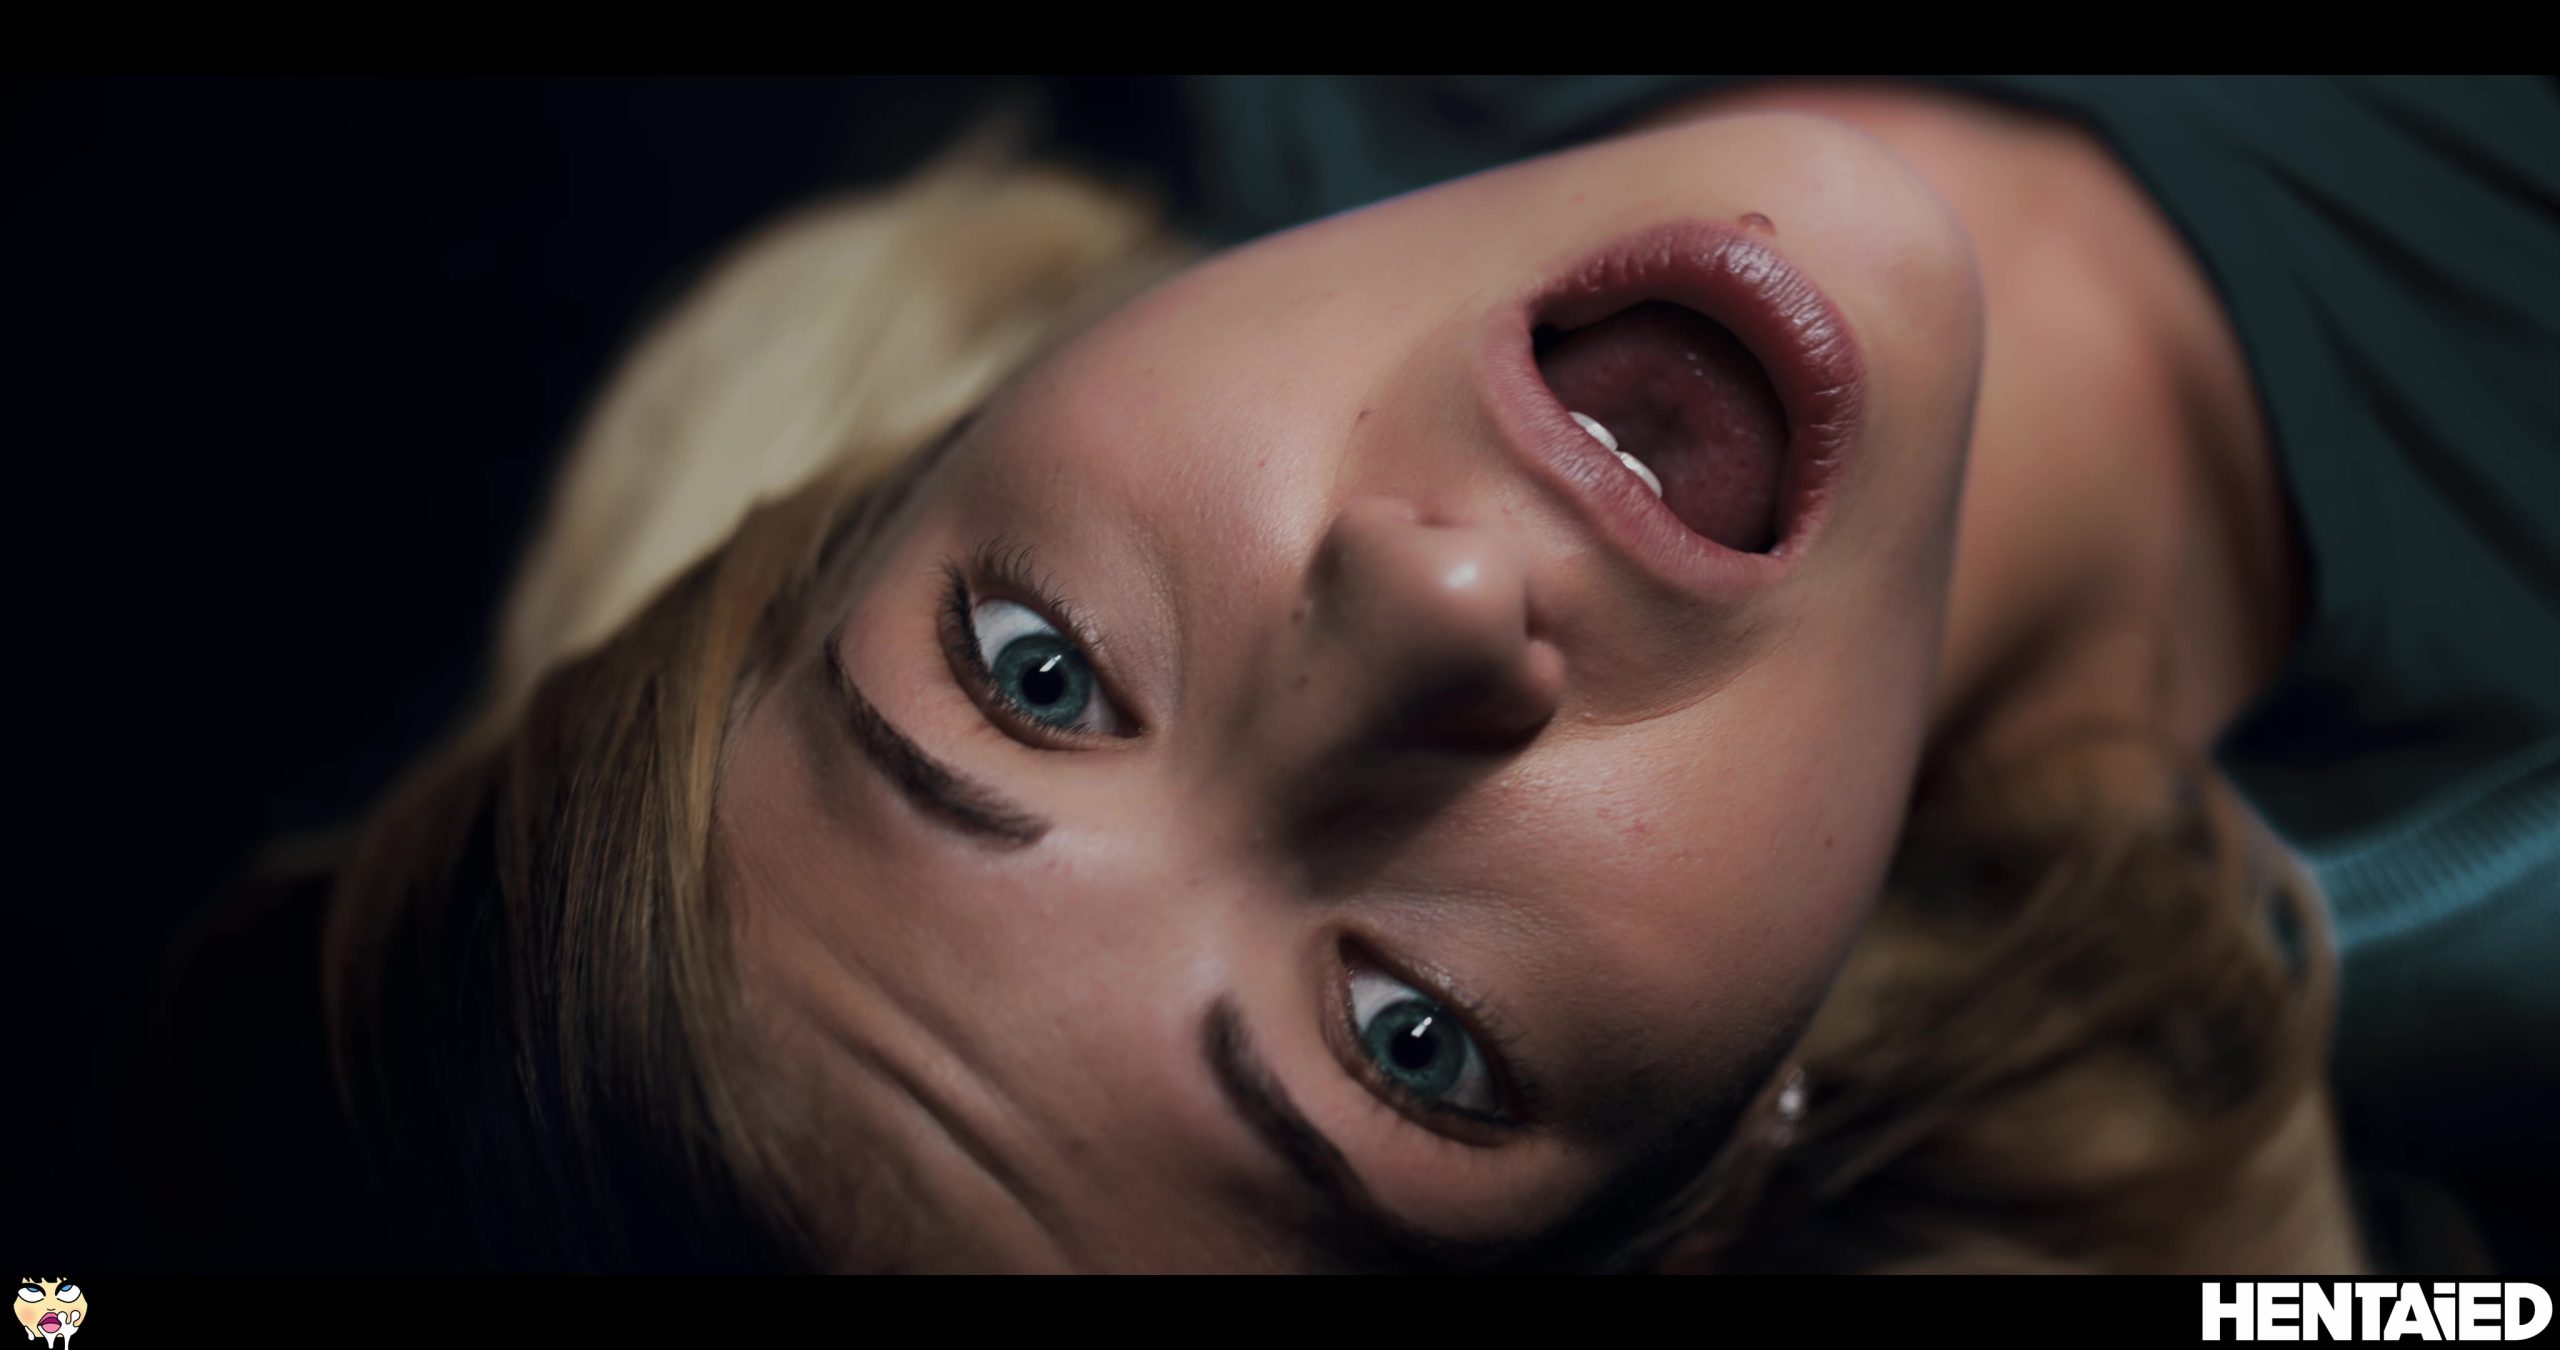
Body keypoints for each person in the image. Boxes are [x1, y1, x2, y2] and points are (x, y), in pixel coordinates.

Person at [147, 77, 2558, 1274]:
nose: (1436, 606)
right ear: (1726, 1143)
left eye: (1034, 673)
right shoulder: (2469, 900)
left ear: (885, 470)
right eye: (1408, 1040)